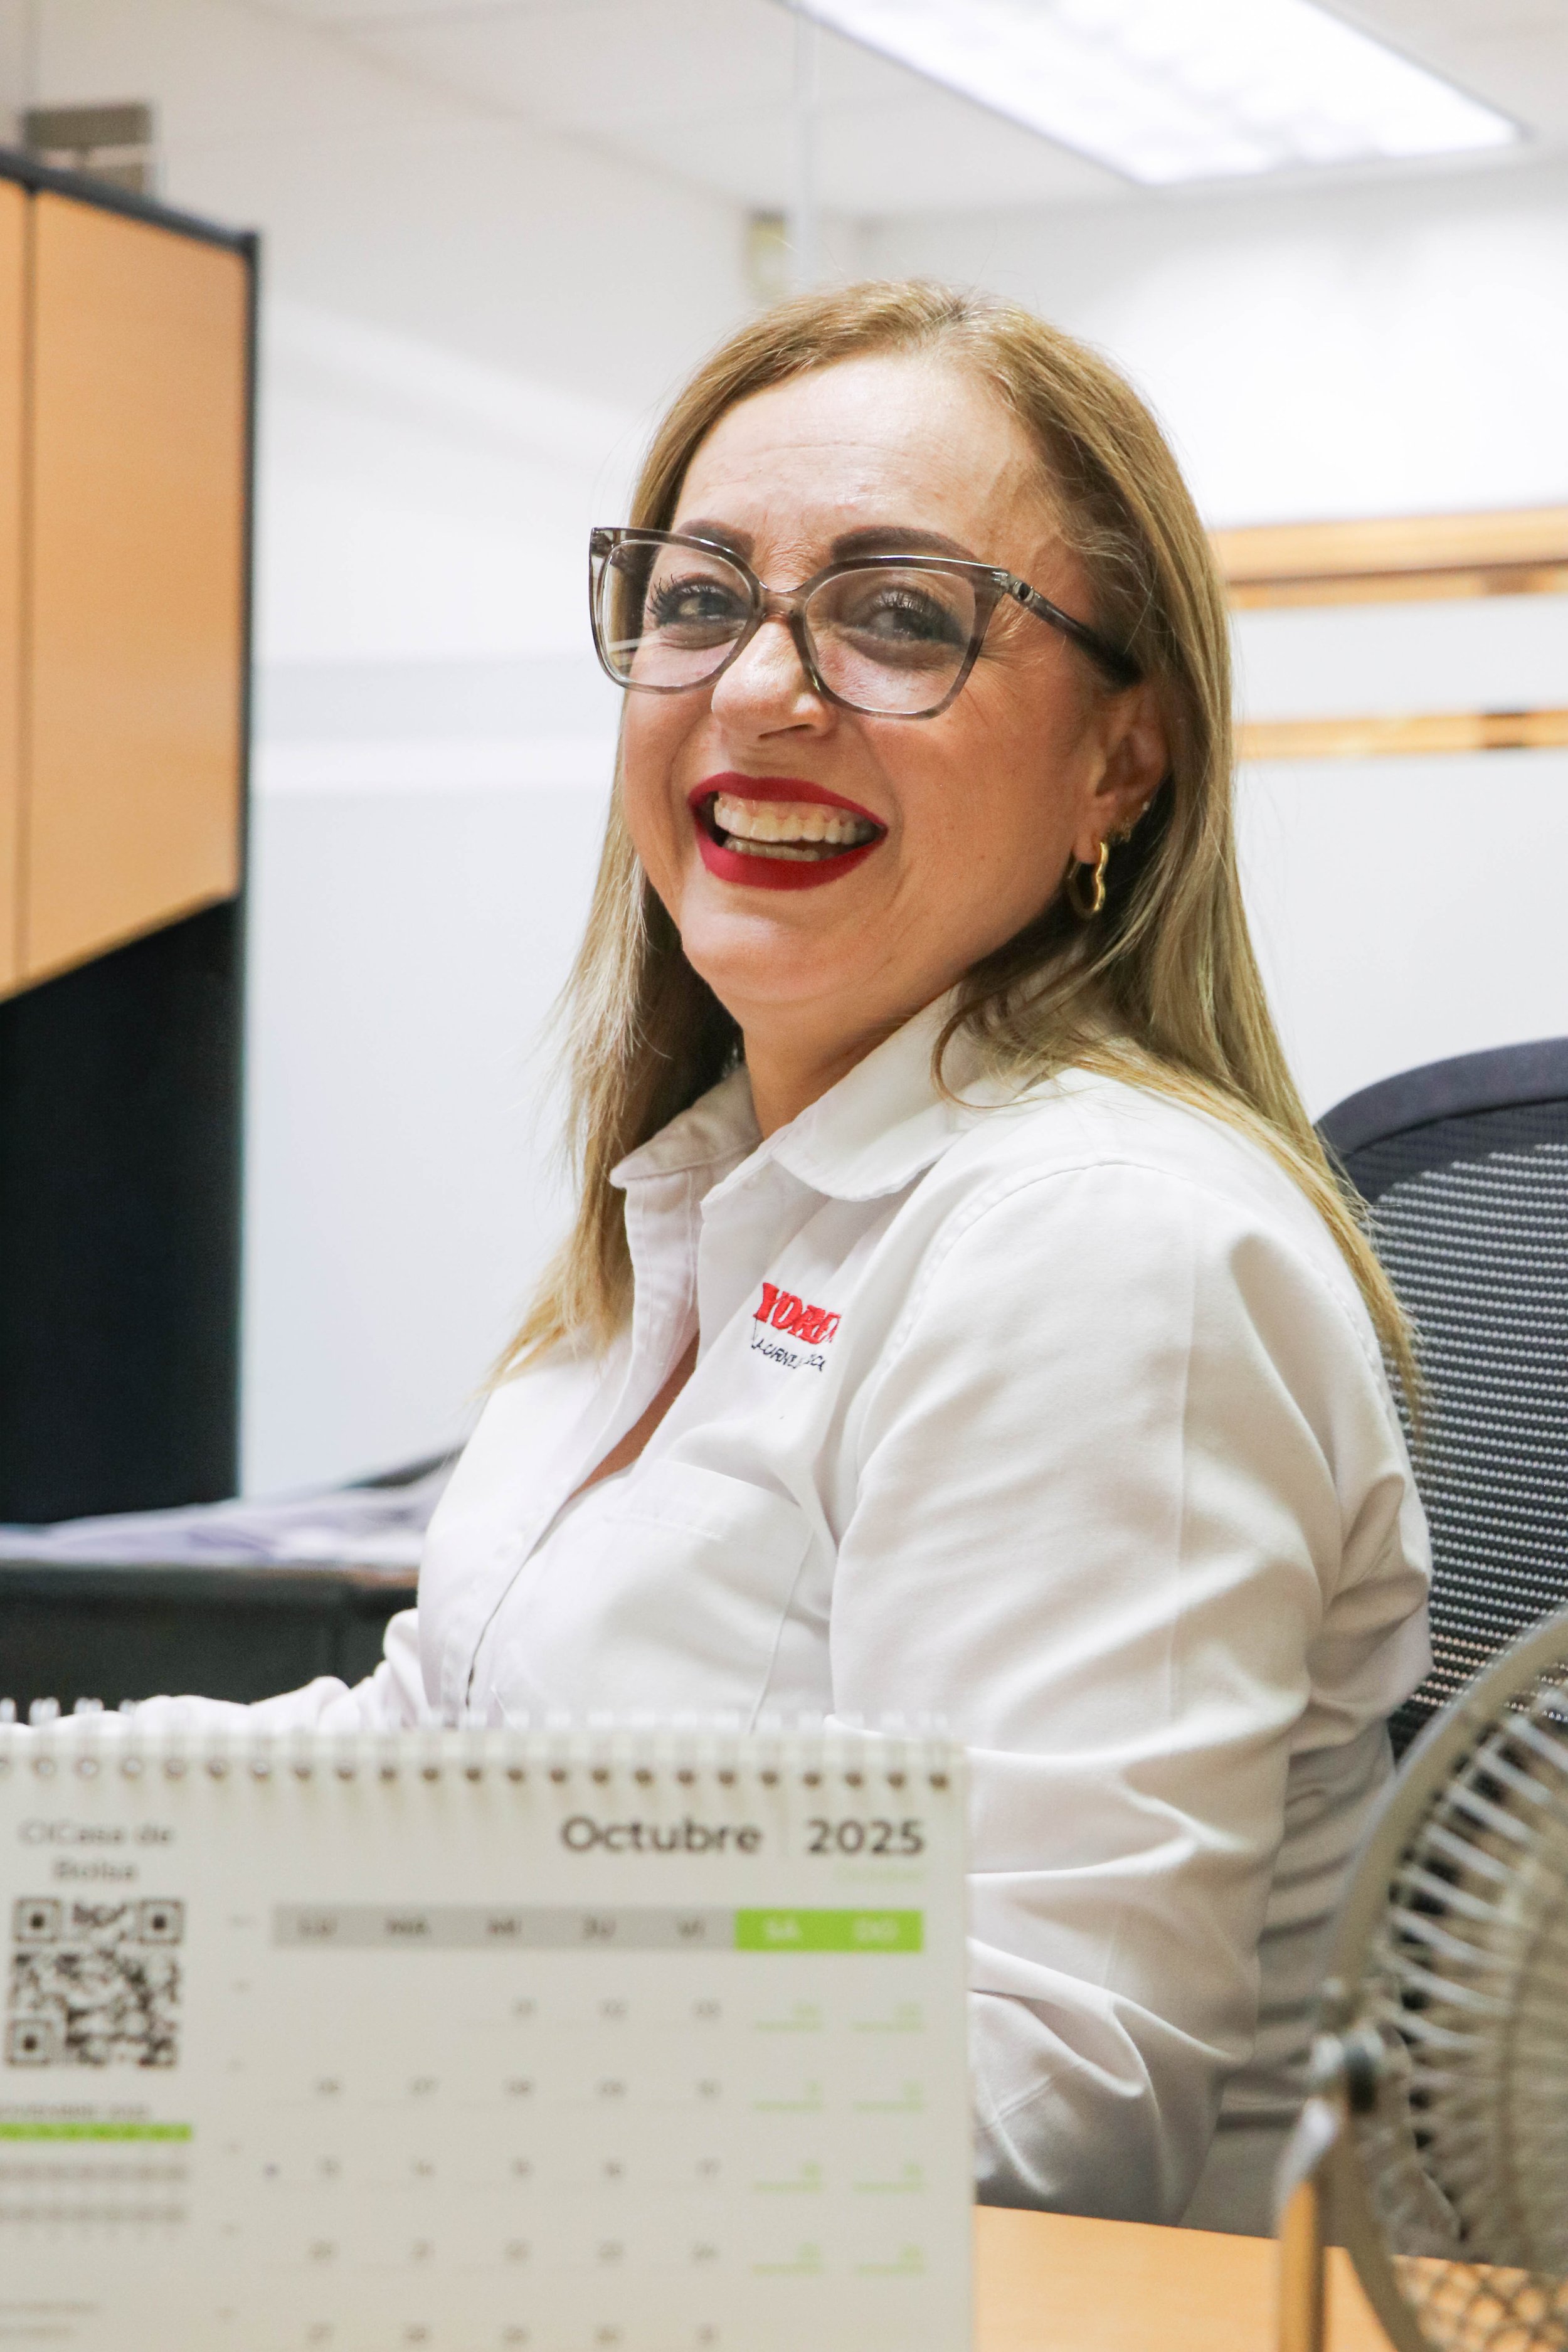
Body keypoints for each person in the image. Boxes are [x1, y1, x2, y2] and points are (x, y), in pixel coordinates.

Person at [134, 282, 1429, 2235]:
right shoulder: (710, 1196)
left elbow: (1042, 2094)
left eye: (898, 615)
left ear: (1122, 761)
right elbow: (431, 1744)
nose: (761, 686)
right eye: (698, 598)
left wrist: (252, 2013)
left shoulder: (1103, 1249)